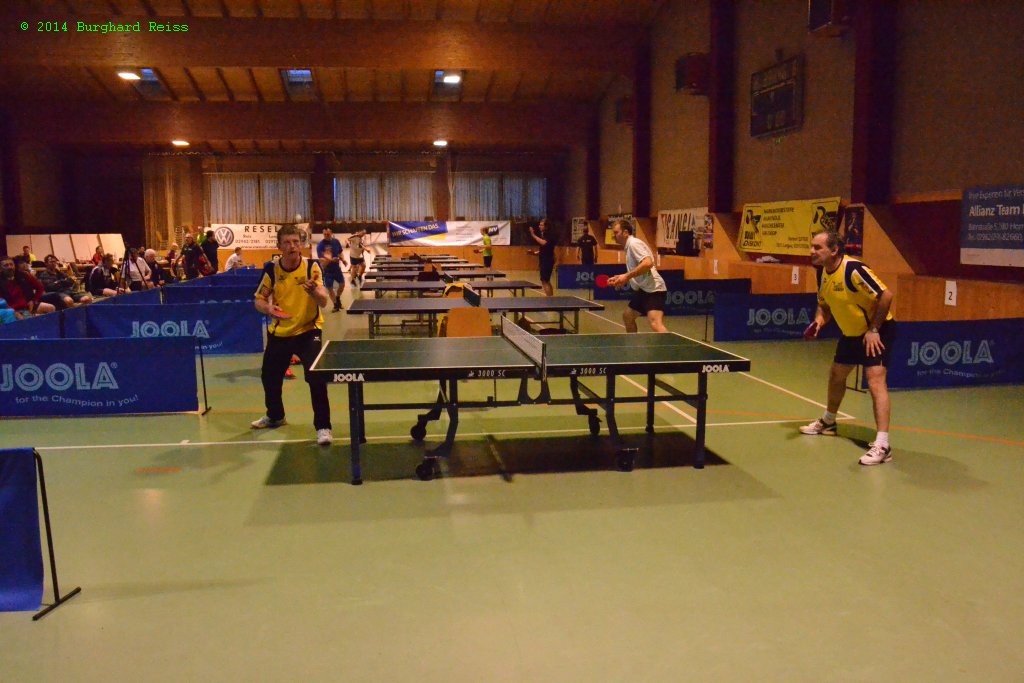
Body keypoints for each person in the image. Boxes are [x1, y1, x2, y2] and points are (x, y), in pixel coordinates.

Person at [800, 230, 896, 466]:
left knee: (875, 381)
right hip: (851, 333)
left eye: (817, 247)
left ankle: (883, 445)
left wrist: (874, 329)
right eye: (811, 246)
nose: (812, 251)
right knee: (836, 376)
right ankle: (829, 421)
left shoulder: (853, 270)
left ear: (834, 250)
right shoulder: (822, 271)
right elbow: (824, 304)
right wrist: (819, 321)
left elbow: (886, 295)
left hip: (877, 332)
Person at [251, 225, 333, 446]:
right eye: (287, 242)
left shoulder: (311, 267)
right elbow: (259, 300)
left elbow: (324, 300)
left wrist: (313, 291)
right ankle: (275, 416)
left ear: (301, 244)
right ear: (279, 246)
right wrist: (268, 308)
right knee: (269, 376)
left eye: (296, 242)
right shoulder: (271, 270)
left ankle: (323, 426)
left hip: (308, 330)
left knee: (316, 377)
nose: (292, 246)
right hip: (280, 331)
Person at [606, 219, 668, 333]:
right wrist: (621, 277)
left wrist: (626, 277)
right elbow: (638, 269)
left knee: (655, 323)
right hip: (644, 289)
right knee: (628, 316)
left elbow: (648, 263)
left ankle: (672, 345)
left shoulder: (634, 244)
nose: (613, 236)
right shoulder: (629, 246)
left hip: (654, 289)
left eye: (616, 232)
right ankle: (633, 342)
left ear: (625, 233)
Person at [527, 218, 557, 296]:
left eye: (541, 225)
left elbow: (544, 243)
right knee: (547, 281)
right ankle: (551, 299)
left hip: (547, 260)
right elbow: (544, 250)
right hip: (545, 259)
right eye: (539, 225)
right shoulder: (544, 235)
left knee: (544, 281)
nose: (539, 226)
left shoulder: (549, 235)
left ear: (546, 226)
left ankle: (549, 300)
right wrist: (534, 253)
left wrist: (533, 235)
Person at [318, 245, 346, 312]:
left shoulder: (335, 253)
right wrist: (330, 260)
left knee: (342, 285)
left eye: (330, 250)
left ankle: (338, 298)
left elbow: (340, 254)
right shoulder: (322, 257)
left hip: (337, 271)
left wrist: (343, 260)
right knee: (330, 289)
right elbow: (323, 266)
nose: (329, 251)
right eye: (327, 250)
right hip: (328, 273)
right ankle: (335, 305)